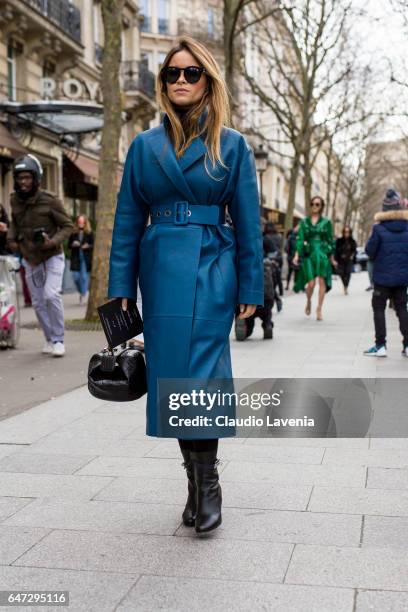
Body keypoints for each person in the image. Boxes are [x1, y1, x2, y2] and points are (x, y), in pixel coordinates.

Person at [108, 37, 263, 534]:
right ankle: (194, 484)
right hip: (159, 271)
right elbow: (128, 218)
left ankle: (210, 482)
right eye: (172, 73)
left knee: (203, 378)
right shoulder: (144, 145)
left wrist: (252, 288)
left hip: (213, 266)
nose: (180, 80)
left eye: (191, 73)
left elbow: (248, 222)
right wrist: (119, 287)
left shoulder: (232, 144)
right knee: (173, 380)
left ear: (207, 81)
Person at [6, 155, 74, 357]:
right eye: (20, 178)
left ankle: (59, 339)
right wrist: (12, 241)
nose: (23, 182)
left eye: (27, 177)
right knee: (37, 302)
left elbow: (68, 226)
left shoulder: (50, 200)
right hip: (30, 259)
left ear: (36, 178)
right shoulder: (14, 200)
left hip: (52, 256)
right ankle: (49, 339)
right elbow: (14, 223)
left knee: (51, 295)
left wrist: (52, 241)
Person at [364, 188, 408, 358]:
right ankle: (407, 344)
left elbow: (370, 252)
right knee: (402, 310)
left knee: (379, 309)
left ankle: (381, 346)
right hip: (403, 278)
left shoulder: (378, 229)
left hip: (382, 278)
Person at [293, 196, 336, 321]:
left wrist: (331, 257)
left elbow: (330, 240)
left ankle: (319, 308)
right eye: (312, 204)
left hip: (322, 254)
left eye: (317, 204)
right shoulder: (304, 222)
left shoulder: (327, 222)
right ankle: (308, 300)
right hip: (309, 254)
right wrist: (297, 254)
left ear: (322, 206)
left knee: (322, 281)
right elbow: (300, 239)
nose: (314, 206)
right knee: (311, 283)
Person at [68, 215, 94, 304]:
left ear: (85, 223)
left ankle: (82, 295)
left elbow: (93, 245)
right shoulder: (73, 233)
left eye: (82, 222)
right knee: (75, 277)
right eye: (79, 222)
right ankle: (82, 292)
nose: (81, 223)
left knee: (84, 278)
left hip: (85, 259)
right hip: (76, 258)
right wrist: (73, 244)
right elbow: (69, 245)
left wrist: (88, 246)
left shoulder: (89, 233)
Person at [263, 221, 283, 310]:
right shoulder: (279, 236)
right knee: (276, 280)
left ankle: (276, 300)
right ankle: (278, 298)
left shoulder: (265, 237)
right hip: (278, 260)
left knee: (269, 283)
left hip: (269, 262)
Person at [335, 226, 357, 295]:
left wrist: (352, 256)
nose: (346, 233)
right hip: (341, 260)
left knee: (348, 273)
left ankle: (346, 286)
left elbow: (354, 250)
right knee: (341, 273)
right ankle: (344, 285)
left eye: (348, 232)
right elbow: (336, 250)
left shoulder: (352, 241)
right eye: (345, 232)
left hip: (349, 260)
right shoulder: (339, 240)